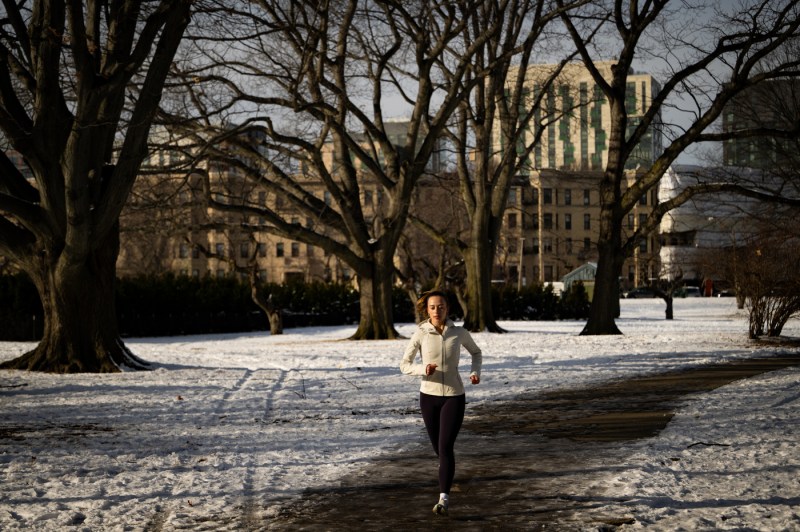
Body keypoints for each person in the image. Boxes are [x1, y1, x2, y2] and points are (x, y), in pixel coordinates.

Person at [399, 290, 482, 516]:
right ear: (426, 309)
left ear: (448, 308)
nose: (437, 310)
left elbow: (476, 352)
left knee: (445, 447)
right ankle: (447, 472)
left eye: (441, 306)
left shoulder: (459, 333)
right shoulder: (421, 333)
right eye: (433, 307)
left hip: (454, 396)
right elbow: (404, 364)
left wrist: (475, 372)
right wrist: (422, 369)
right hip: (428, 396)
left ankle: (443, 498)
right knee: (439, 449)